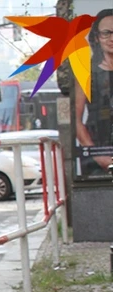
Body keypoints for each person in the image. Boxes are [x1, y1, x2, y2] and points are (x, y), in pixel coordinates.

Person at [74, 8, 113, 178]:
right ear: (96, 37)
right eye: (106, 33)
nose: (112, 38)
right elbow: (76, 120)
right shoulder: (86, 73)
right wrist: (98, 155)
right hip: (97, 153)